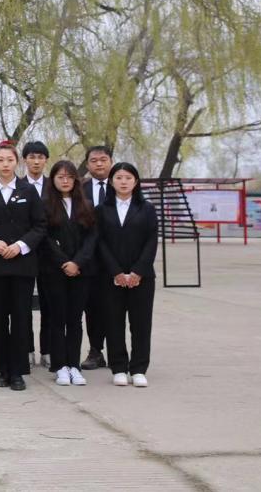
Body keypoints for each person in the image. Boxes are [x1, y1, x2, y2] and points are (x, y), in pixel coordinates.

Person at [0, 142, 47, 391]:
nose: (5, 164)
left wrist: (20, 245)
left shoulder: (28, 190)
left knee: (20, 318)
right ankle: (2, 369)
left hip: (22, 265)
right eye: (0, 160)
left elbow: (40, 225)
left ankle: (18, 371)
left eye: (9, 160)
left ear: (17, 162)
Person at [97, 162, 158, 388]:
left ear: (136, 182)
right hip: (110, 277)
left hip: (141, 277)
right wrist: (116, 272)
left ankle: (139, 368)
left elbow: (151, 241)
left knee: (141, 324)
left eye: (128, 178)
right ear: (111, 181)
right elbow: (100, 242)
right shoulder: (102, 209)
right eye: (119, 177)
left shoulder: (147, 209)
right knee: (113, 323)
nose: (123, 182)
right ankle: (119, 367)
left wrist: (138, 271)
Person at [39, 160, 97, 388]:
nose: (65, 181)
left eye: (69, 177)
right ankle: (60, 366)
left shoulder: (86, 205)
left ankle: (74, 365)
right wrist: (64, 262)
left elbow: (92, 238)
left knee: (75, 319)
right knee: (57, 318)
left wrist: (77, 262)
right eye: (60, 177)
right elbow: (44, 238)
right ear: (53, 179)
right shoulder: (45, 205)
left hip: (81, 271)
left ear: (76, 180)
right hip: (53, 270)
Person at [80, 145, 114, 371]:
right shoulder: (80, 190)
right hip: (90, 260)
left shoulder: (121, 185)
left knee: (115, 308)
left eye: (103, 159)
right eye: (94, 160)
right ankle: (95, 351)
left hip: (117, 259)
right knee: (92, 308)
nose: (99, 164)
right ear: (88, 164)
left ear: (110, 162)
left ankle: (117, 352)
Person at [21, 140, 51, 369]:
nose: (36, 161)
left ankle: (47, 350)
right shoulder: (17, 185)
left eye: (40, 157)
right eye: (32, 157)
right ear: (25, 160)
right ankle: (27, 349)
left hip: (50, 254)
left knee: (49, 304)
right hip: (23, 253)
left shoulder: (55, 186)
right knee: (24, 306)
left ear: (46, 160)